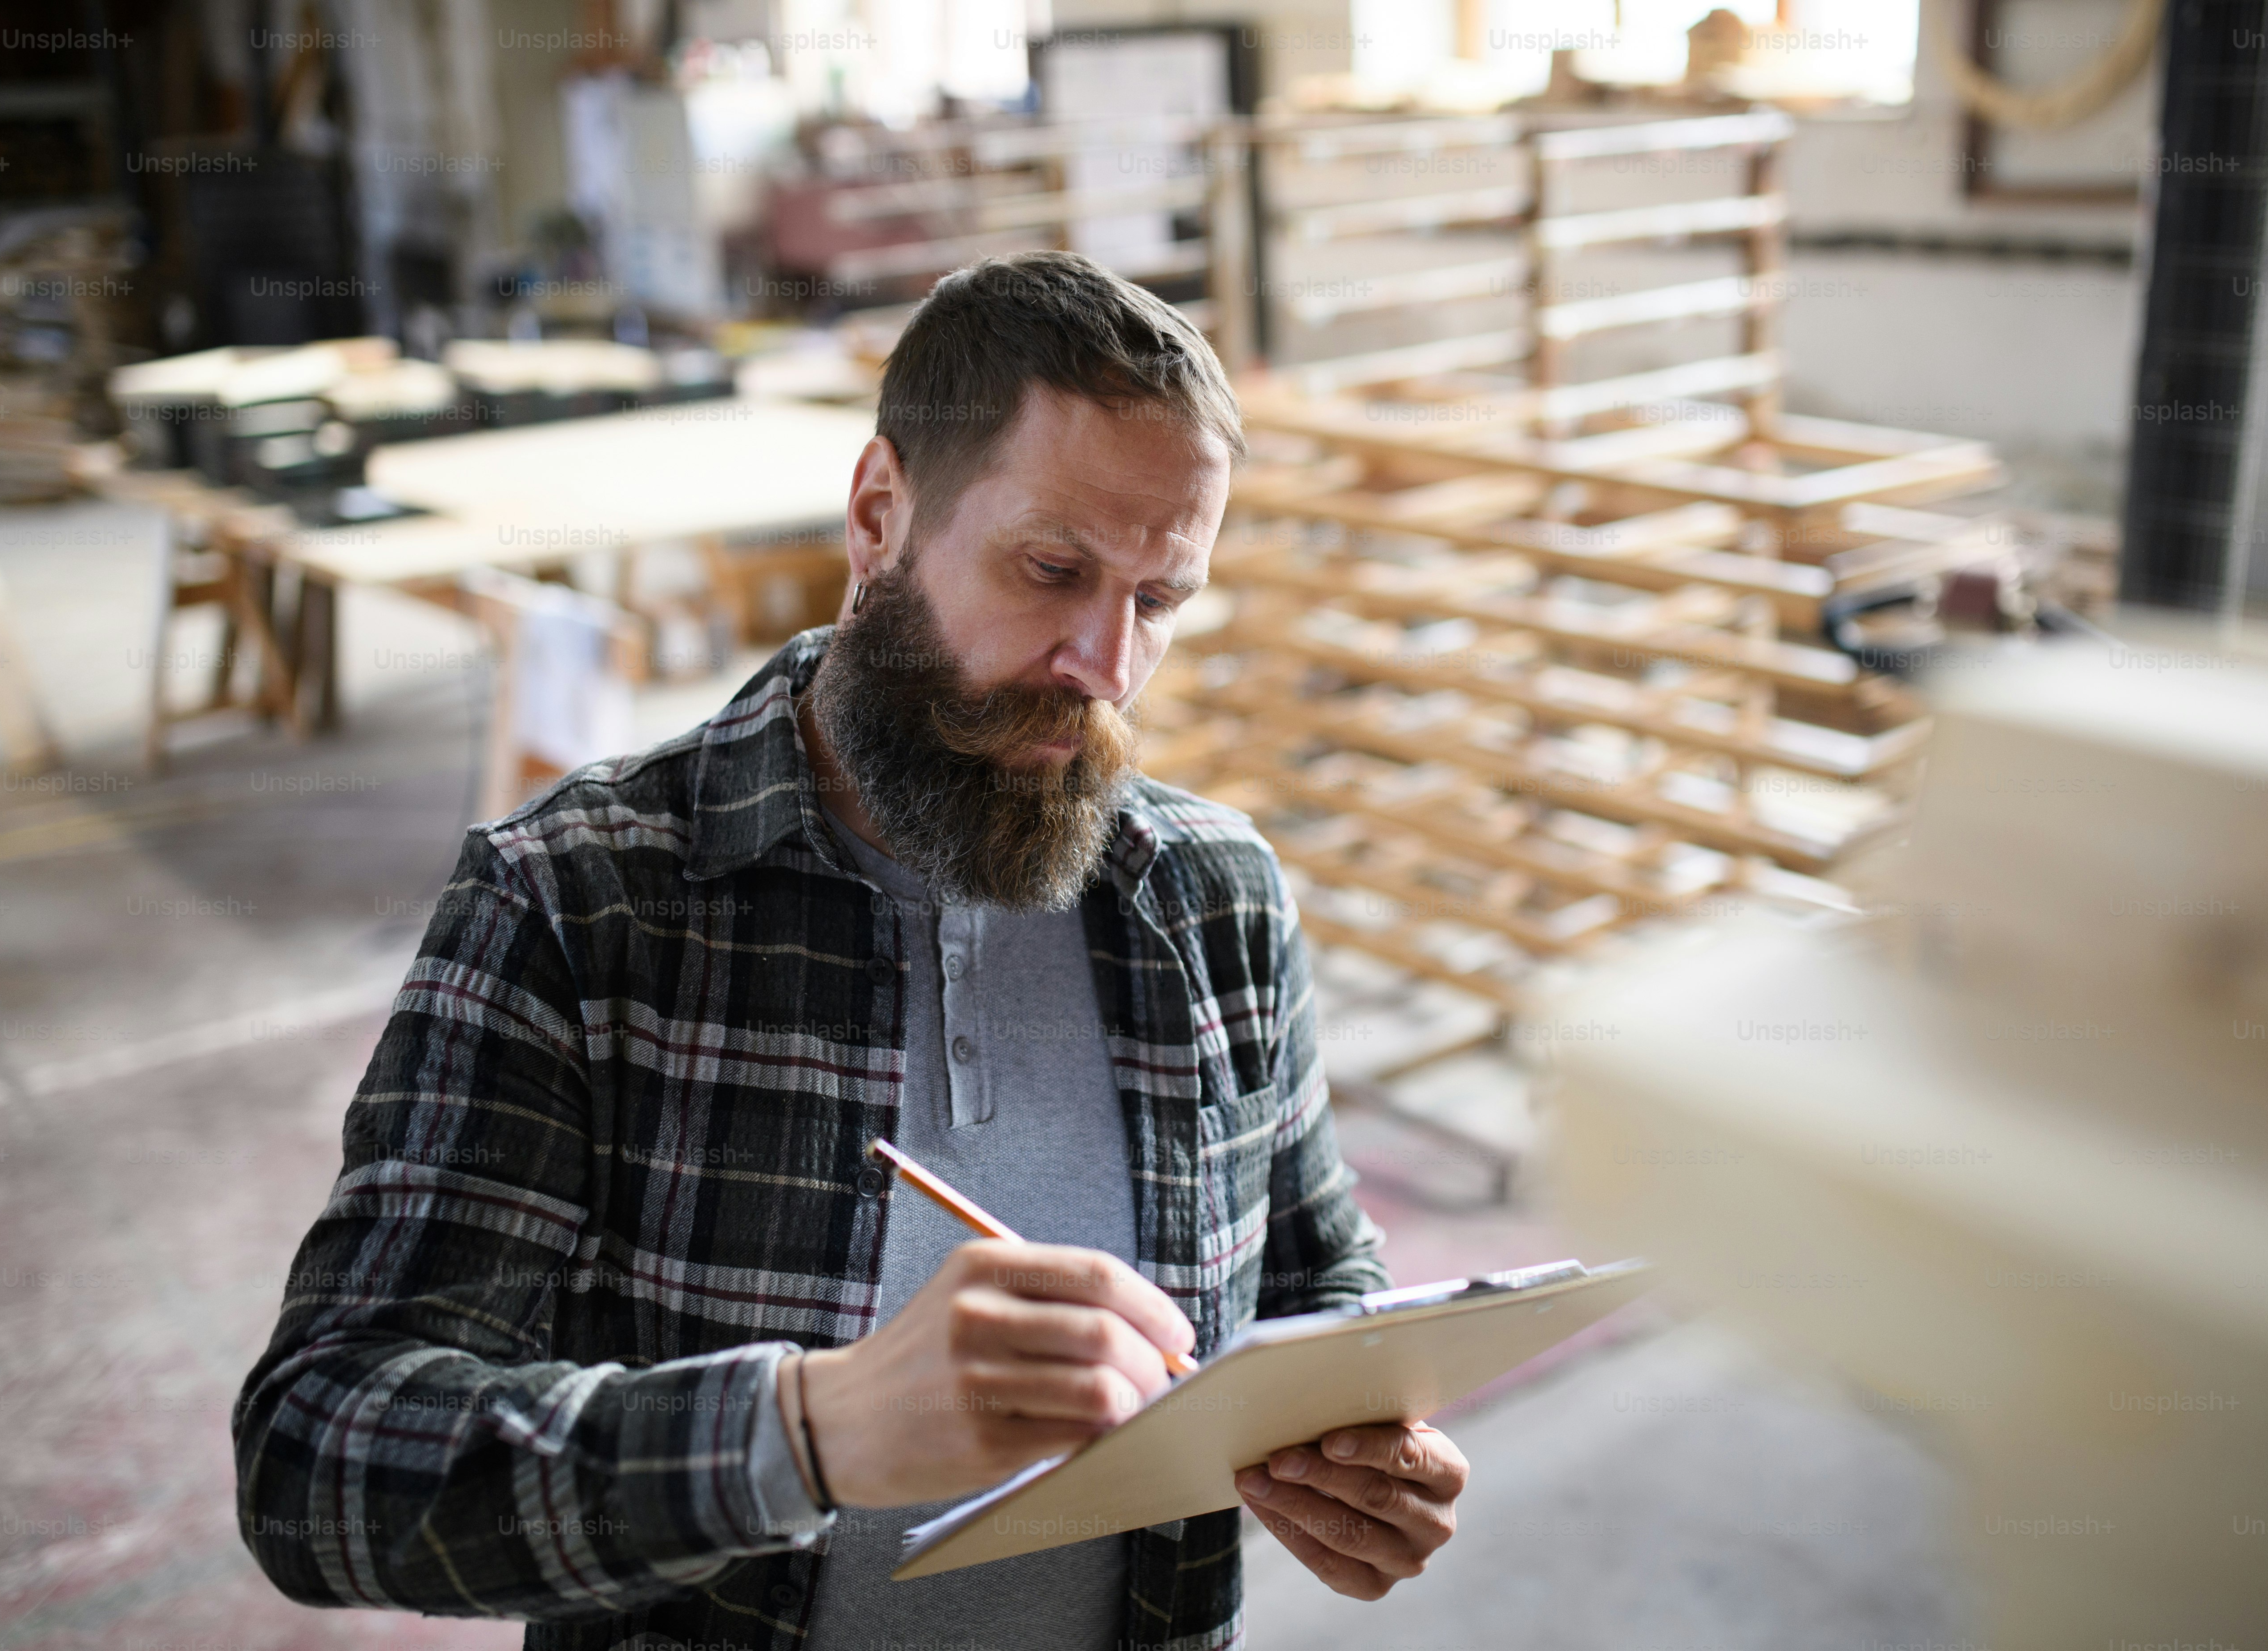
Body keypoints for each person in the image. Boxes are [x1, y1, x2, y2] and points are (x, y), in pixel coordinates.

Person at [232, 250, 1469, 1650]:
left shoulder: (1213, 898)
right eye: (1053, 570)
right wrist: (803, 1432)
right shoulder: (583, 904)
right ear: (881, 513)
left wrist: (1360, 1450)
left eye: (1160, 600)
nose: (1107, 665)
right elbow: (315, 1462)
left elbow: (1315, 1277)